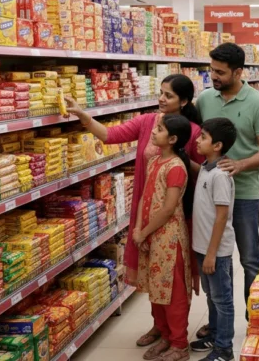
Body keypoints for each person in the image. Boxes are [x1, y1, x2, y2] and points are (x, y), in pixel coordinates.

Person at [64, 73, 204, 356]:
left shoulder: (192, 133)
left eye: (168, 95)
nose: (161, 99)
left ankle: (176, 338)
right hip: (145, 213)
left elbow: (203, 173)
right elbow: (110, 135)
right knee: (153, 277)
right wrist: (82, 115)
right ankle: (160, 329)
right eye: (160, 92)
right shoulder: (147, 122)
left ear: (184, 101)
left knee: (173, 282)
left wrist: (180, 155)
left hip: (174, 216)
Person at [196, 43, 259, 334]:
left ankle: (255, 319)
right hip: (210, 196)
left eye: (220, 72)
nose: (213, 76)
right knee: (217, 260)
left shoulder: (257, 103)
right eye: (212, 70)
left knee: (249, 259)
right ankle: (218, 322)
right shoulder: (205, 99)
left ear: (238, 72)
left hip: (243, 194)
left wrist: (240, 164)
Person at [133, 115, 196, 361]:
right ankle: (166, 337)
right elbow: (144, 197)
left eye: (159, 129)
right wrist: (138, 229)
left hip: (169, 238)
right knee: (156, 289)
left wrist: (144, 231)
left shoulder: (176, 167)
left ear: (172, 139)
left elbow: (169, 208)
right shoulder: (154, 161)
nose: (153, 131)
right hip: (150, 235)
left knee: (173, 293)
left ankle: (180, 345)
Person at [189, 118, 238, 361]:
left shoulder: (220, 175)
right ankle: (216, 334)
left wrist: (211, 254)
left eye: (203, 137)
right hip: (204, 247)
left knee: (222, 299)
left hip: (215, 251)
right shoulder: (206, 168)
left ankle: (224, 349)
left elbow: (221, 216)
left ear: (217, 145)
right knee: (212, 296)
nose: (197, 140)